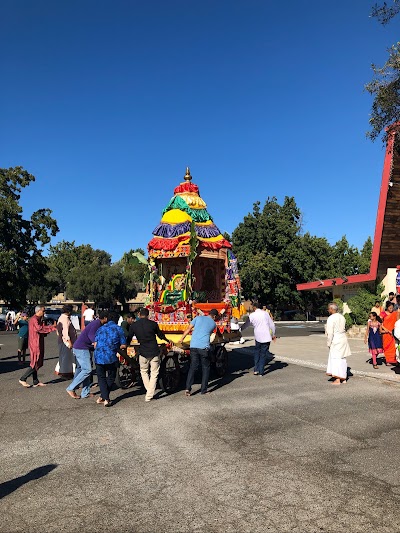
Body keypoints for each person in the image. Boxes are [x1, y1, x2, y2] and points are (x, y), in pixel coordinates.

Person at [127, 308, 170, 402]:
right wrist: (167, 340)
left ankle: (149, 392)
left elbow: (129, 338)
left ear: (139, 315)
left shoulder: (134, 326)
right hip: (154, 351)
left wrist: (125, 345)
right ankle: (149, 394)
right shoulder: (153, 324)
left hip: (142, 352)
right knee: (154, 373)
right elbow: (160, 335)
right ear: (148, 315)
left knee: (144, 371)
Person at [66, 311, 108, 399]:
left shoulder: (98, 324)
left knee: (86, 370)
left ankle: (85, 393)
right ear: (105, 318)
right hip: (81, 348)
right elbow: (91, 334)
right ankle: (71, 388)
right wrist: (94, 342)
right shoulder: (96, 324)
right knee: (87, 369)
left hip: (85, 348)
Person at [179, 309, 220, 396]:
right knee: (206, 367)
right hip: (203, 347)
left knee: (193, 367)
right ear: (215, 316)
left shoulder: (197, 318)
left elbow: (189, 329)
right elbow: (213, 334)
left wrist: (182, 338)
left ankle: (187, 388)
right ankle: (203, 390)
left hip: (193, 345)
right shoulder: (213, 324)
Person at [94, 310, 126, 407]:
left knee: (101, 378)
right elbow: (124, 345)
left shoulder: (100, 329)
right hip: (110, 356)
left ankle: (103, 396)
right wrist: (114, 346)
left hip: (98, 356)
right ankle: (106, 398)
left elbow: (95, 344)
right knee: (111, 376)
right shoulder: (118, 329)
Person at [18, 306, 56, 388]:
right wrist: (52, 328)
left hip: (38, 341)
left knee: (38, 360)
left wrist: (47, 330)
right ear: (38, 311)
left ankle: (35, 381)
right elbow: (39, 329)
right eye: (43, 310)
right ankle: (23, 378)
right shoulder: (34, 319)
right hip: (35, 343)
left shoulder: (39, 319)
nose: (44, 312)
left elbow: (41, 330)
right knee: (35, 361)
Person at [241, 302, 276, 376]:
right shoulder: (265, 314)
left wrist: (240, 330)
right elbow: (272, 324)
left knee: (257, 352)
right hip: (266, 336)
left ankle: (256, 369)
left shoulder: (252, 315)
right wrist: (273, 334)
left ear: (254, 307)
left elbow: (246, 324)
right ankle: (261, 371)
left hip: (258, 336)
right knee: (263, 354)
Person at [326, 302, 351, 385]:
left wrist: (328, 343)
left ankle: (337, 379)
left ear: (332, 309)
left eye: (329, 308)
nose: (328, 310)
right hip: (343, 338)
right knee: (342, 359)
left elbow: (330, 333)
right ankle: (343, 378)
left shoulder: (331, 318)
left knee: (336, 359)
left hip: (336, 339)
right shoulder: (342, 317)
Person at [55, 305, 77, 378]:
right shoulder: (65, 319)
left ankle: (66, 371)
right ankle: (65, 373)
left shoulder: (62, 318)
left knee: (64, 357)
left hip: (62, 340)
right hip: (65, 341)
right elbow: (65, 331)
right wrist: (69, 342)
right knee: (66, 357)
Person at [381, 301, 399, 365]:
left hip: (393, 332)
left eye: (392, 308)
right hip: (386, 333)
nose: (391, 309)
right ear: (387, 307)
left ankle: (394, 360)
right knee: (386, 346)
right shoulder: (383, 313)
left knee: (393, 347)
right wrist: (387, 330)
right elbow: (380, 323)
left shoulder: (394, 313)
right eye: (390, 308)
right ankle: (388, 360)